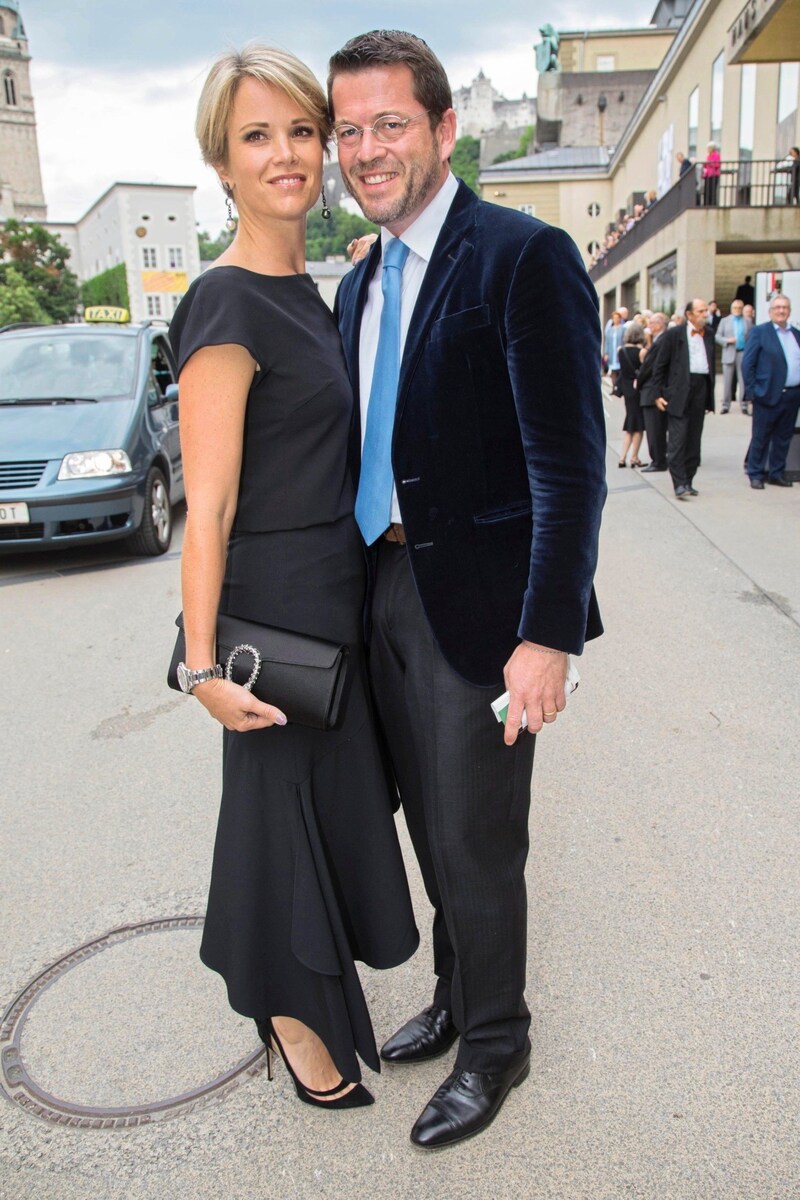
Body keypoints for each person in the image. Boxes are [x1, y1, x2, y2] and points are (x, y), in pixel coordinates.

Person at [328, 29, 606, 1149]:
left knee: (478, 839)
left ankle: (497, 1041)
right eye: (348, 129)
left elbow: (569, 465)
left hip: (486, 615)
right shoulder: (362, 279)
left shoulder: (520, 256)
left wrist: (545, 635)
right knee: (429, 831)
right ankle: (452, 998)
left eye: (388, 124)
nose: (364, 148)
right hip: (383, 587)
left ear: (444, 130)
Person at [169, 44, 418, 1111]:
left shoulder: (307, 288)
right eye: (254, 138)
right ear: (221, 166)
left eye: (300, 131)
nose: (286, 155)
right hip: (272, 614)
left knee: (315, 812)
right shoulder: (224, 302)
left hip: (334, 592)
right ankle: (286, 1015)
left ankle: (301, 1003)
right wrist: (197, 668)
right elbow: (207, 506)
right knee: (277, 819)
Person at [651, 298, 716, 499]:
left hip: (700, 389)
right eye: (700, 311)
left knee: (694, 440)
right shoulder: (674, 335)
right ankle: (679, 483)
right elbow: (659, 366)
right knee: (677, 441)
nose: (705, 314)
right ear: (689, 314)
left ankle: (688, 480)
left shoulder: (710, 334)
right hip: (678, 392)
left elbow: (711, 365)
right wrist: (657, 394)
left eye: (706, 311)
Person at [742, 295, 800, 488]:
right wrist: (752, 392)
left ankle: (776, 473)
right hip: (766, 394)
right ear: (770, 311)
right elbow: (748, 364)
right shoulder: (760, 332)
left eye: (785, 307)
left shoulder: (796, 334)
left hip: (792, 395)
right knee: (761, 436)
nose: (781, 311)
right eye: (777, 307)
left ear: (789, 311)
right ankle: (756, 474)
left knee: (783, 437)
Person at [637, 312, 669, 472]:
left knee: (655, 429)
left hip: (652, 391)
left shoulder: (661, 341)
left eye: (651, 324)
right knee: (657, 428)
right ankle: (659, 458)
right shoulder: (660, 340)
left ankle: (658, 460)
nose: (648, 327)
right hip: (655, 389)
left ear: (658, 325)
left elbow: (650, 366)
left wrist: (639, 380)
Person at [617, 322, 647, 467]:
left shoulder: (620, 351)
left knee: (630, 423)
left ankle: (622, 457)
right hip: (638, 389)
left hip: (626, 389)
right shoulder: (641, 352)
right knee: (638, 426)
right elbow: (645, 371)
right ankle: (634, 457)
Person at [716, 299, 753, 413]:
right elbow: (717, 336)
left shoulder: (747, 321)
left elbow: (752, 336)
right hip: (729, 352)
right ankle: (726, 405)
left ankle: (744, 405)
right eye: (735, 308)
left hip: (743, 353)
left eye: (739, 308)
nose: (737, 310)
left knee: (743, 380)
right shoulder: (724, 321)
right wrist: (727, 340)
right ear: (731, 309)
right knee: (727, 381)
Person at [604, 310, 626, 390]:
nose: (616, 319)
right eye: (614, 318)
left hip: (619, 351)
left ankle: (620, 387)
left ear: (620, 319)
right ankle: (614, 387)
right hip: (611, 351)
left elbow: (625, 340)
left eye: (617, 318)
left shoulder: (623, 328)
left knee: (620, 370)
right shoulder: (610, 330)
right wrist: (606, 353)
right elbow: (607, 342)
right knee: (613, 370)